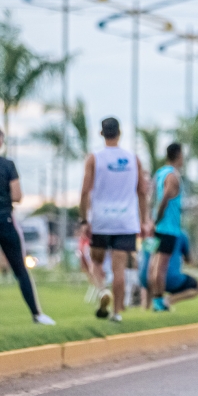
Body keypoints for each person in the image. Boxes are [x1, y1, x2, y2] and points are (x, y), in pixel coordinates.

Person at [0, 126, 55, 328]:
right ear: (0, 142)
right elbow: (17, 195)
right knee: (20, 270)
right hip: (3, 220)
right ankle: (36, 314)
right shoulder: (7, 165)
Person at [79, 117, 148, 322]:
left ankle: (102, 291)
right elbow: (142, 191)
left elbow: (85, 191)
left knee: (96, 263)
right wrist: (144, 220)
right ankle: (117, 313)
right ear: (120, 133)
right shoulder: (133, 159)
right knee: (119, 270)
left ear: (102, 133)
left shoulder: (94, 158)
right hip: (126, 222)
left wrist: (84, 220)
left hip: (101, 221)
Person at [148, 142, 185, 313]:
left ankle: (155, 300)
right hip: (168, 228)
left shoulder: (159, 173)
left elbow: (151, 197)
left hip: (159, 226)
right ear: (178, 155)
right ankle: (158, 302)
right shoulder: (172, 176)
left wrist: (151, 219)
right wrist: (157, 218)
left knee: (154, 263)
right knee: (161, 266)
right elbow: (164, 198)